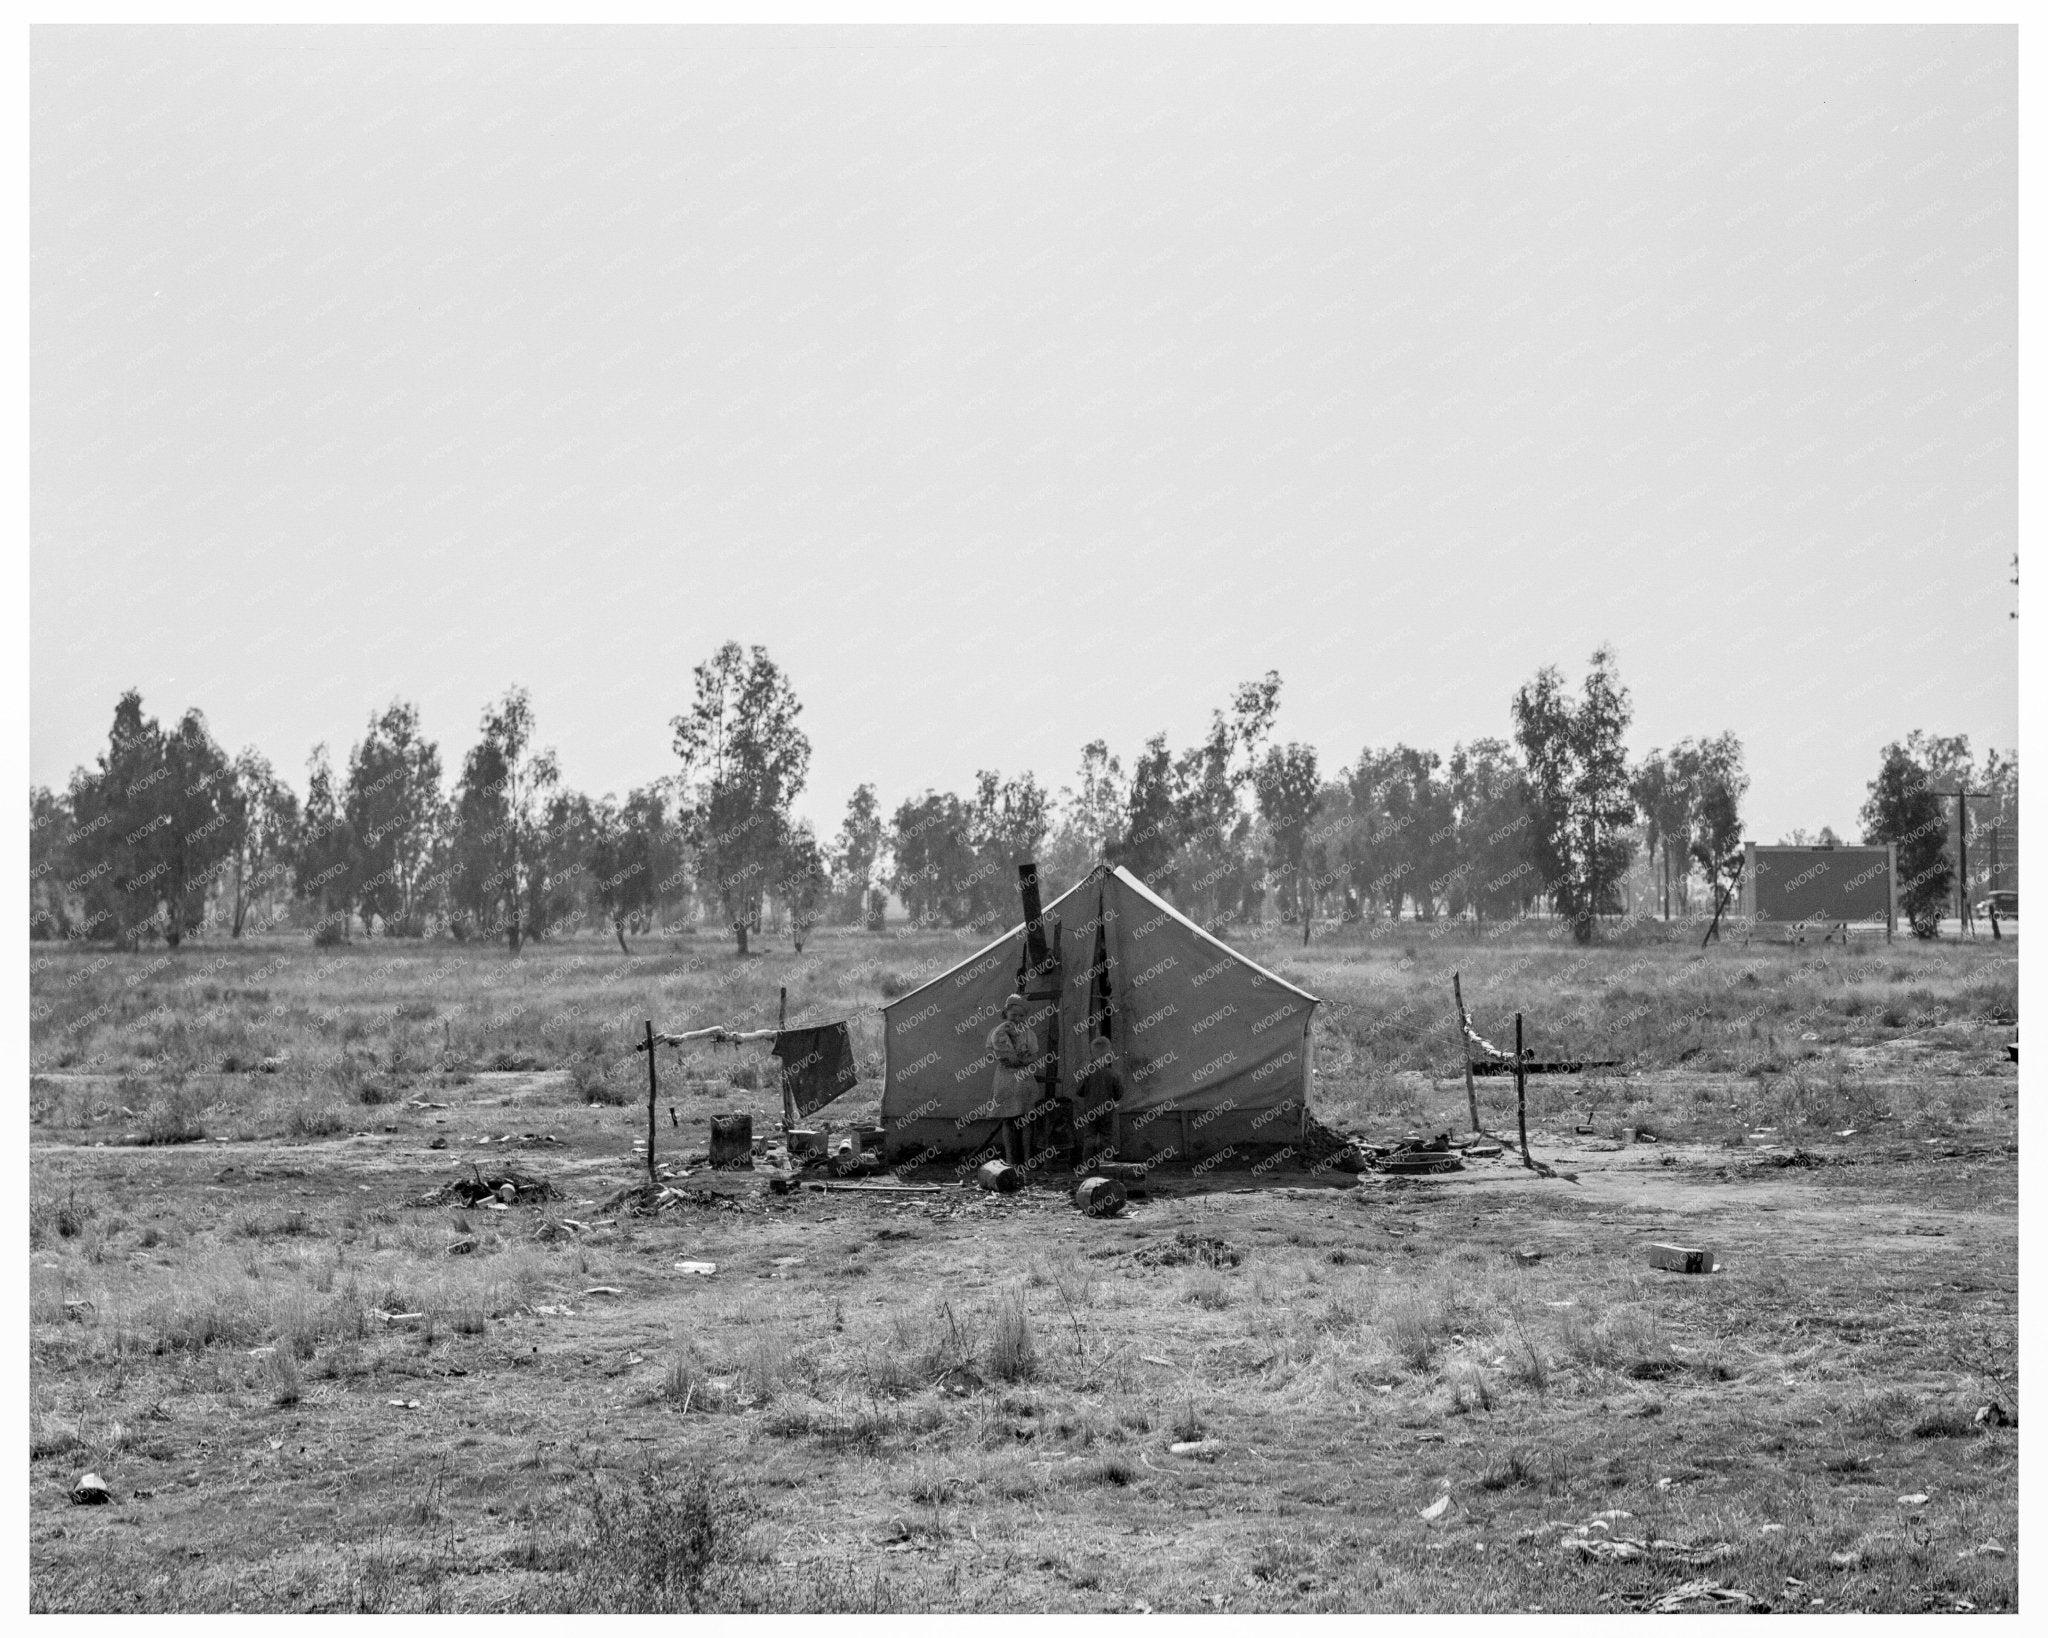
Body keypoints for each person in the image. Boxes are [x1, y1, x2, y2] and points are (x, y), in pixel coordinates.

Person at [985, 993, 1041, 1166]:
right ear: (1006, 1014)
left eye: (1021, 1016)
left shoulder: (1029, 1034)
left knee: (1026, 1119)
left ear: (1026, 1017)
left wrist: (1023, 1060)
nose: (1017, 1019)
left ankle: (1027, 1159)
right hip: (1005, 1078)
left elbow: (1034, 1055)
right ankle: (1011, 1160)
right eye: (1013, 1015)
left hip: (1023, 1078)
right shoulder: (997, 1033)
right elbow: (990, 1053)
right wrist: (1005, 1056)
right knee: (1008, 1120)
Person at [1069, 1034, 1123, 1168]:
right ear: (1109, 1055)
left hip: (1090, 1110)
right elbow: (1119, 1094)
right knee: (1107, 1138)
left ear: (1092, 1055)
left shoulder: (1087, 1073)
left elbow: (1079, 1091)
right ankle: (1108, 1165)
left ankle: (1087, 1165)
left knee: (1089, 1137)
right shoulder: (1113, 1074)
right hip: (1107, 1110)